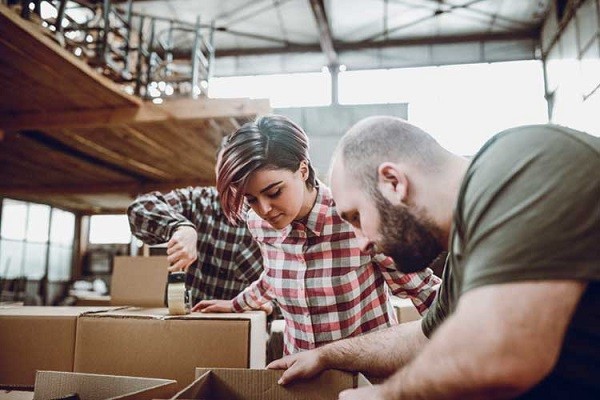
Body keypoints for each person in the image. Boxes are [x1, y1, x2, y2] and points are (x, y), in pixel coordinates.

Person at [267, 117, 600, 399]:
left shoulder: (522, 165)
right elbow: (424, 338)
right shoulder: (464, 248)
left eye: (356, 217)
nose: (361, 244)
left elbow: (503, 355)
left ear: (393, 182)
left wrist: (384, 395)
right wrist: (327, 355)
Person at [193, 114, 441, 355]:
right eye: (251, 199)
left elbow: (421, 289)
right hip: (300, 377)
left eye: (274, 192)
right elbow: (275, 275)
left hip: (366, 375)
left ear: (302, 170)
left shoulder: (354, 217)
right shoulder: (257, 222)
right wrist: (237, 304)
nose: (264, 209)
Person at [127, 142, 265, 306]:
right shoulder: (195, 200)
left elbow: (287, 288)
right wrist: (181, 227)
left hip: (242, 326)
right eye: (225, 167)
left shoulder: (267, 215)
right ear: (216, 169)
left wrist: (269, 307)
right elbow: (139, 208)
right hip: (184, 325)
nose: (231, 175)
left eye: (239, 166)